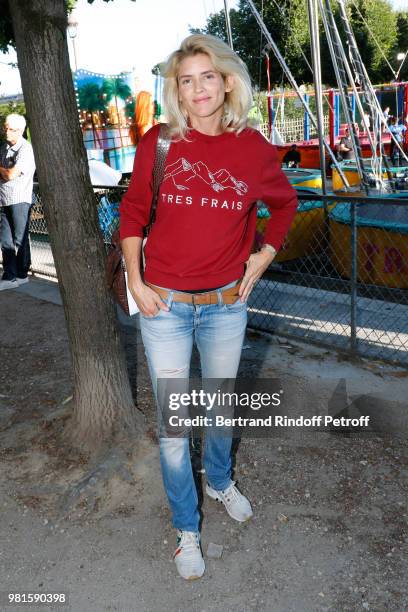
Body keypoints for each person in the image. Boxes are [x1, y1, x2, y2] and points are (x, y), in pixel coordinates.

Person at [120, 34, 297, 581]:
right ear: (177, 89)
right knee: (176, 427)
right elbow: (131, 215)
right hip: (165, 307)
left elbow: (285, 204)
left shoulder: (254, 149)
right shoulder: (160, 144)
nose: (198, 89)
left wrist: (260, 259)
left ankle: (219, 481)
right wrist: (136, 278)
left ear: (227, 81)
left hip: (225, 307)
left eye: (207, 76)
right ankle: (186, 529)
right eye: (186, 80)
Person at [0, 113, 35, 291]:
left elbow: (10, 174)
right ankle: (9, 274)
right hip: (3, 199)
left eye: (11, 129)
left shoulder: (25, 149)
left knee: (19, 238)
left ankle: (22, 273)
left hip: (20, 199)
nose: (6, 131)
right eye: (5, 127)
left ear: (20, 131)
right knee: (5, 239)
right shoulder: (4, 148)